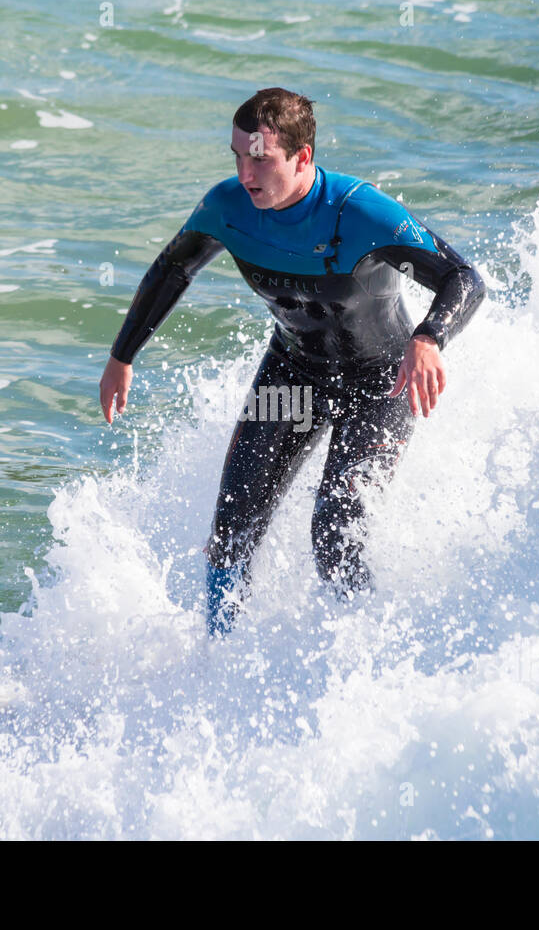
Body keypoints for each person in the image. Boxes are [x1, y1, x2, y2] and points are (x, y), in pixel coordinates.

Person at [99, 88, 485, 636]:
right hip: (295, 375)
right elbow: (172, 270)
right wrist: (122, 355)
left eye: (260, 158)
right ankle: (218, 658)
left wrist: (428, 337)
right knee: (230, 533)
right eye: (237, 156)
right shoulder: (228, 208)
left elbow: (463, 278)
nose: (246, 173)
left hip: (379, 383)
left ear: (302, 157)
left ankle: (368, 652)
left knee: (334, 532)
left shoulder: (362, 214)